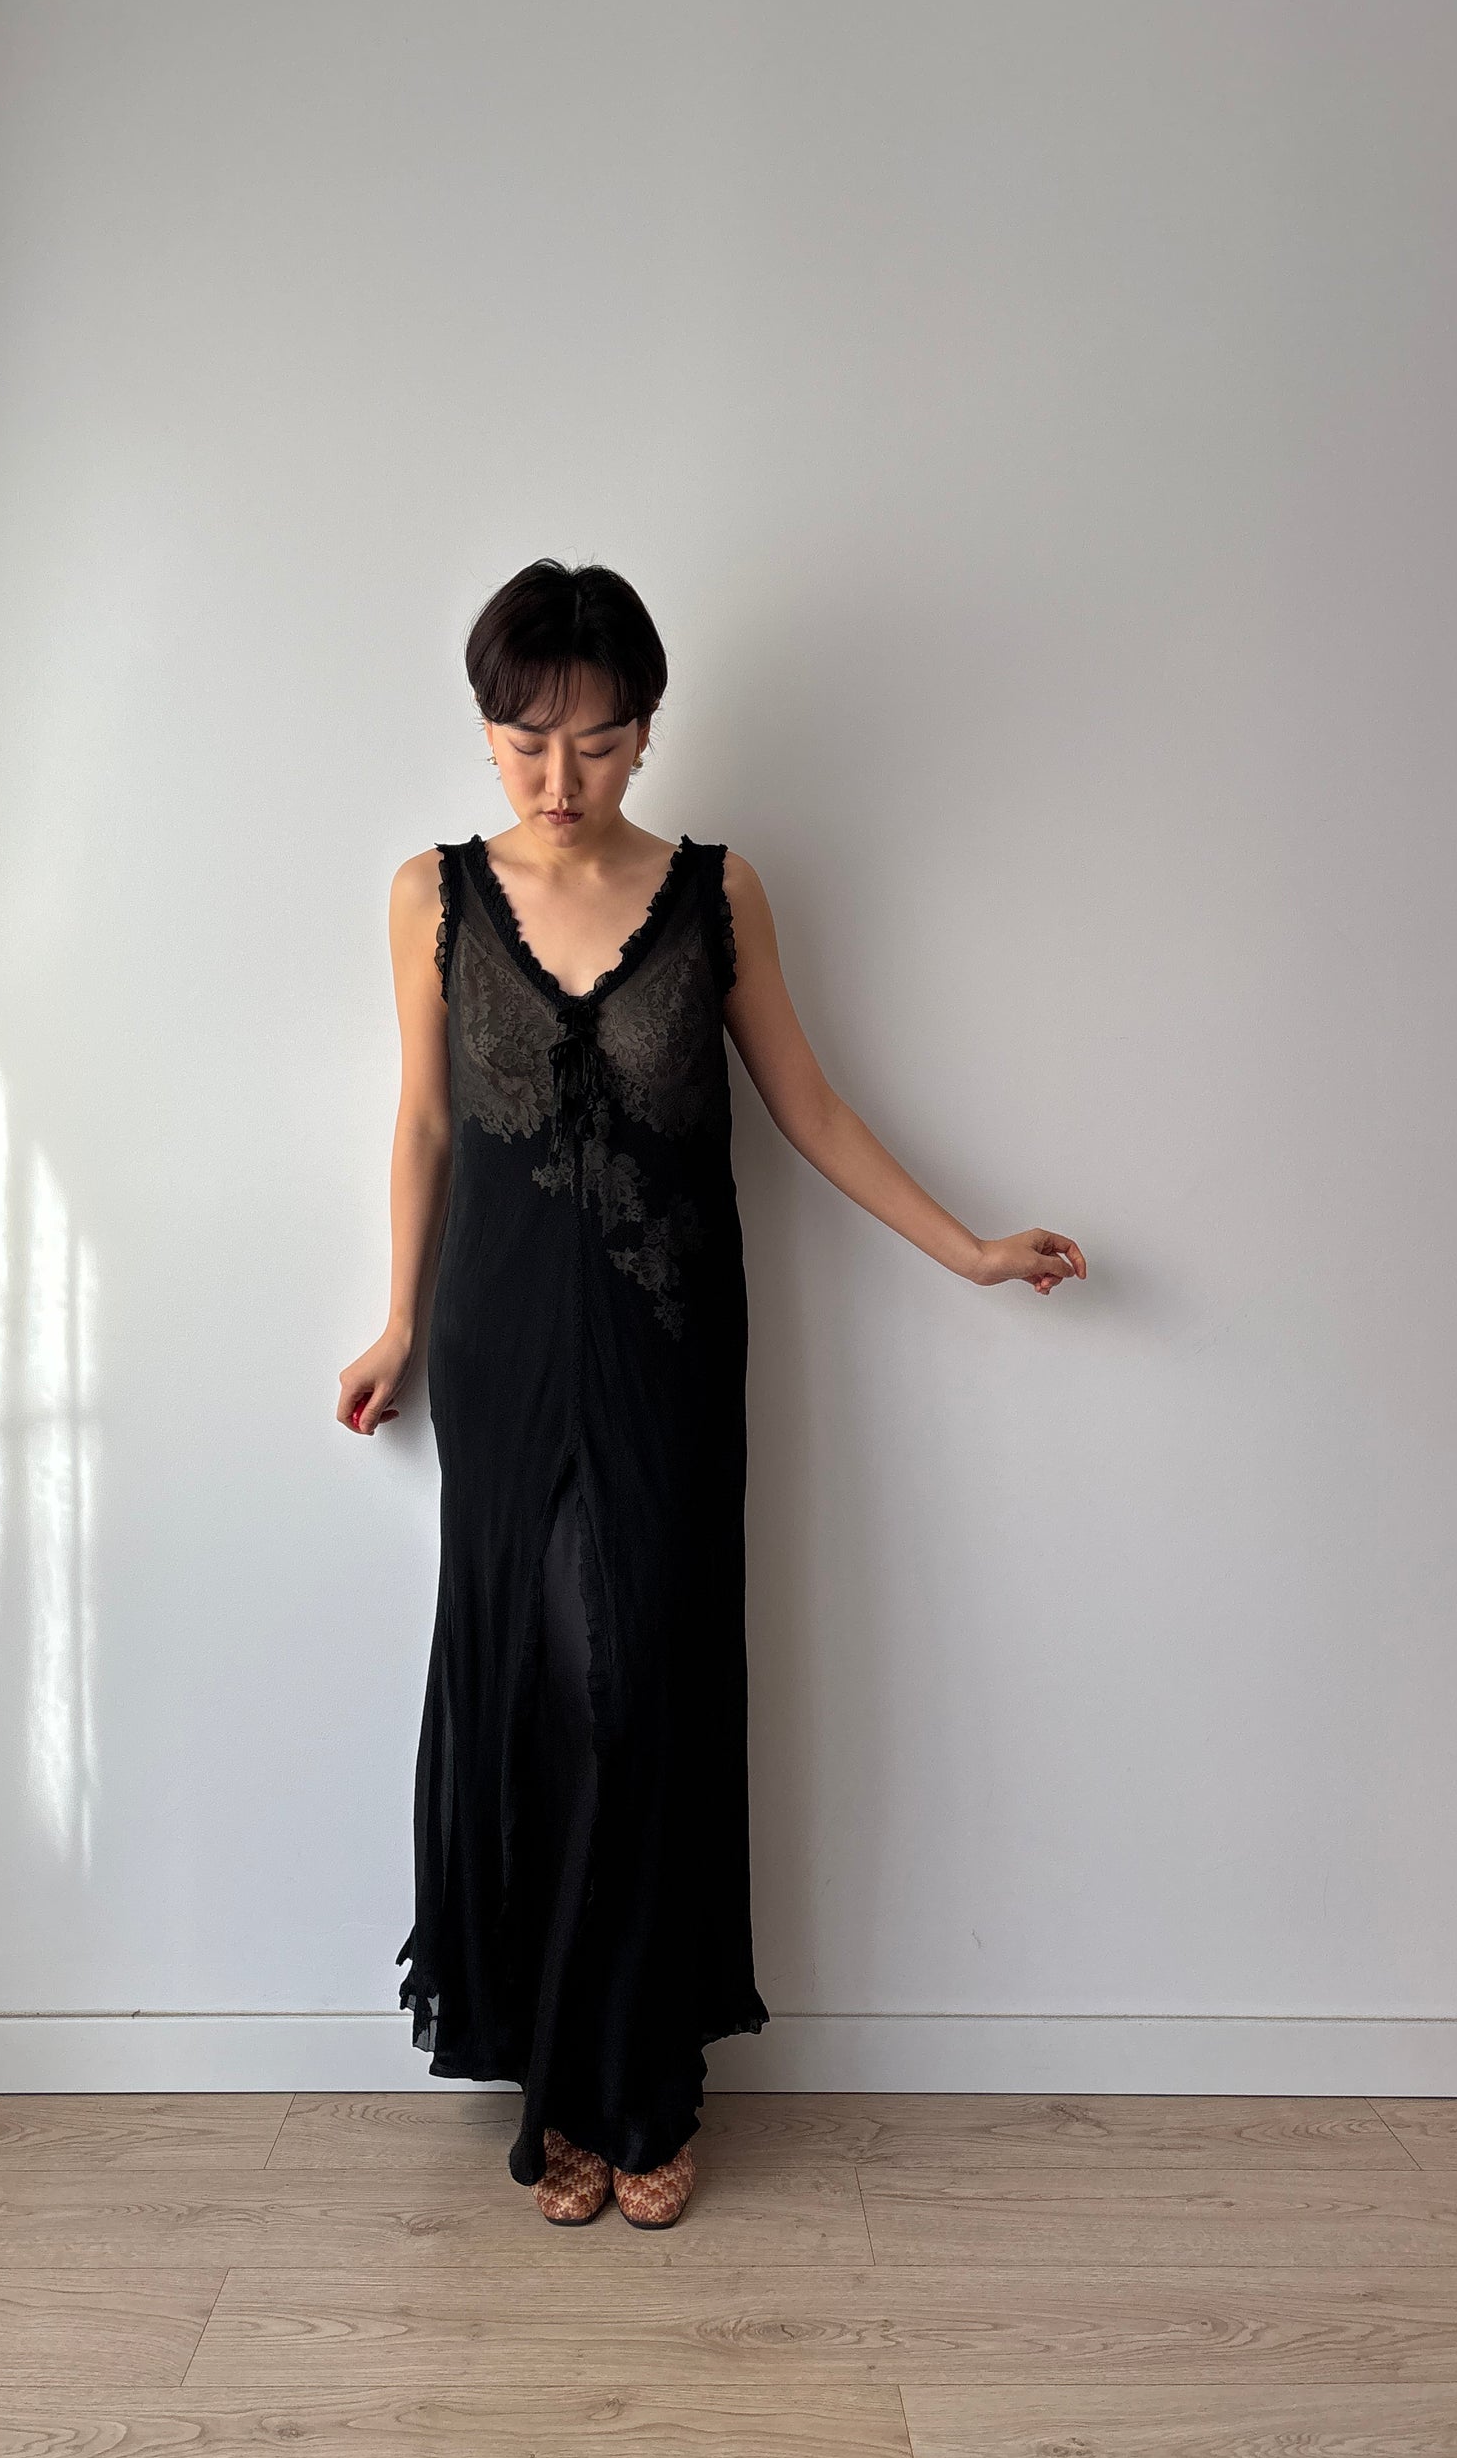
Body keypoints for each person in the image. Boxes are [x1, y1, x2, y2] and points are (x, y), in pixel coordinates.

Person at [338, 558, 1085, 2229]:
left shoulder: (716, 893)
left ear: (646, 731)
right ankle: (562, 2085)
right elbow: (426, 1123)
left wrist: (966, 1250)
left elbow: (809, 1108)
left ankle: (648, 2080)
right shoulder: (429, 895)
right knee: (538, 1689)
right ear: (485, 733)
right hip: (501, 1342)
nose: (559, 779)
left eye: (597, 743)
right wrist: (394, 1324)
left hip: (670, 1343)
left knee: (643, 1692)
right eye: (526, 743)